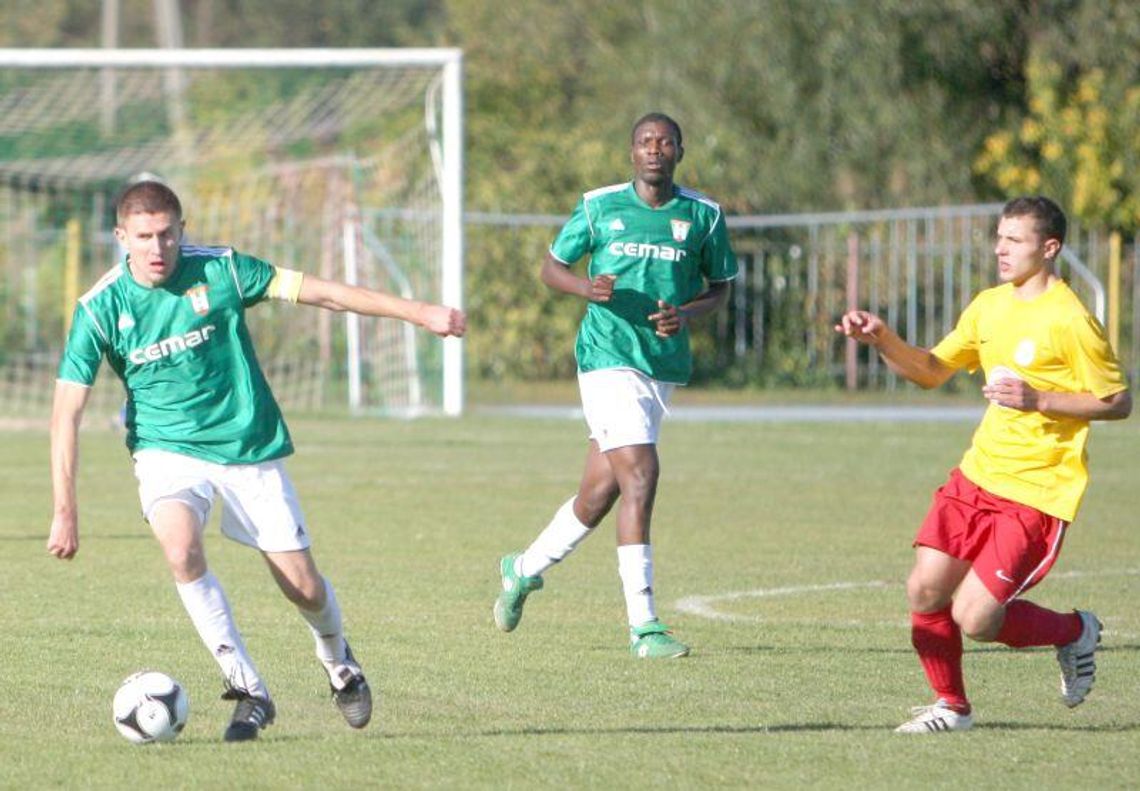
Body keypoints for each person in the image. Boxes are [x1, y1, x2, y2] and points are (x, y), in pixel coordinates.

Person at [47, 179, 466, 741]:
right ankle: (248, 690)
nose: (157, 248)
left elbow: (322, 292)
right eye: (144, 237)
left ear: (182, 229)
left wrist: (417, 312)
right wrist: (64, 509)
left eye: (167, 234)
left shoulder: (221, 270)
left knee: (303, 586)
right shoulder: (99, 307)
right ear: (122, 236)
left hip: (246, 444)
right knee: (180, 548)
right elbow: (65, 414)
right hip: (164, 450)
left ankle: (338, 661)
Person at [836, 195, 1131, 733]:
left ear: (1049, 248)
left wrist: (1037, 399)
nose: (1001, 248)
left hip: (1038, 491)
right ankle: (951, 706)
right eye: (999, 236)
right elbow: (929, 370)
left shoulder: (1071, 319)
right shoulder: (989, 305)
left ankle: (1073, 631)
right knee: (924, 590)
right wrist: (881, 338)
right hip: (978, 475)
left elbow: (1117, 401)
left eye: (1014, 240)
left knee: (975, 618)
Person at [492, 112, 738, 658]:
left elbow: (719, 288)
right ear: (632, 153)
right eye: (645, 142)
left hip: (660, 365)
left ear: (679, 151)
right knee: (643, 473)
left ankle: (523, 569)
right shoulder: (599, 205)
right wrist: (586, 287)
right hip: (604, 356)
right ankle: (644, 625)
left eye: (665, 142)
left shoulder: (703, 215)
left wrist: (687, 313)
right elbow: (551, 267)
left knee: (598, 494)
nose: (655, 150)